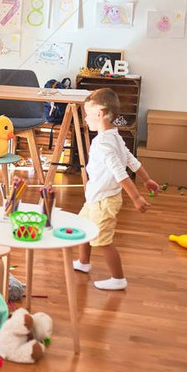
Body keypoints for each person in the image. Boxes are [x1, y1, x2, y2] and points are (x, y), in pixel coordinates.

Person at [73, 89, 159, 290]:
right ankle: (83, 263)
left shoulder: (103, 143)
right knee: (83, 227)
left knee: (103, 241)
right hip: (96, 197)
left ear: (100, 113)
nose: (85, 119)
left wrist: (136, 197)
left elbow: (120, 171)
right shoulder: (115, 136)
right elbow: (131, 159)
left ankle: (118, 278)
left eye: (87, 113)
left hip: (105, 200)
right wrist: (147, 179)